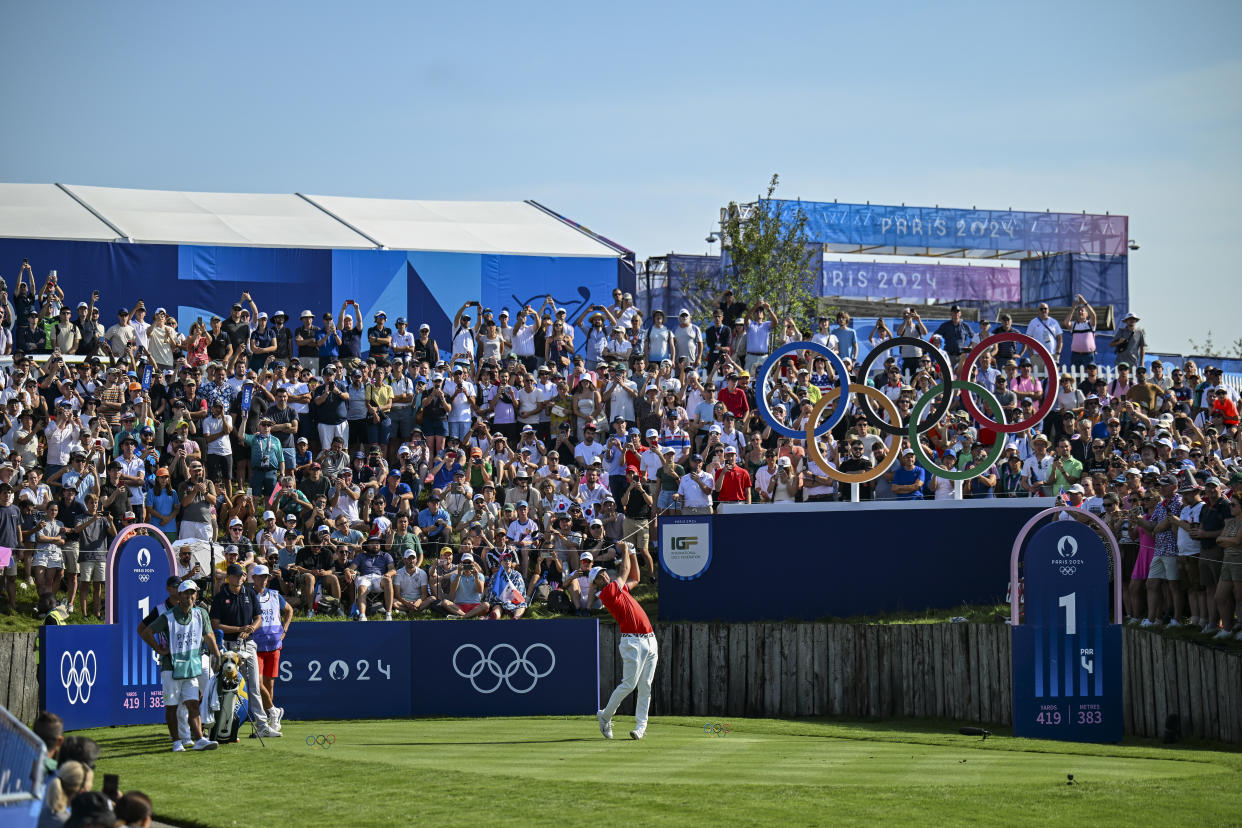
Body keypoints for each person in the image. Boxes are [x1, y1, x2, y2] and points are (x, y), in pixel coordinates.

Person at [138, 581, 223, 751]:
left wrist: (217, 655)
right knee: (172, 706)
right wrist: (158, 648)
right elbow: (146, 631)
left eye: (192, 593)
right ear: (179, 595)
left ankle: (199, 739)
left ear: (196, 596)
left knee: (193, 704)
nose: (189, 597)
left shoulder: (201, 614)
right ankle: (177, 741)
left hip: (191, 667)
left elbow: (209, 636)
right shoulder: (167, 616)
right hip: (171, 668)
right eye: (186, 593)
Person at [589, 545, 656, 740]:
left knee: (646, 686)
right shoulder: (608, 592)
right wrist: (625, 549)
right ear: (597, 582)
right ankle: (605, 715)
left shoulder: (618, 590)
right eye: (601, 576)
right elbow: (624, 571)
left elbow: (635, 577)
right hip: (632, 642)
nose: (605, 576)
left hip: (650, 640)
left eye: (603, 573)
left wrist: (633, 553)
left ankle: (640, 728)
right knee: (629, 684)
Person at [209, 563, 280, 737]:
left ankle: (262, 725)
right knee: (227, 687)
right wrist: (239, 629)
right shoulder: (220, 597)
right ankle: (223, 726)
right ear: (229, 577)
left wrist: (250, 629)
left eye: (241, 575)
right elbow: (215, 624)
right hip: (227, 646)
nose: (239, 578)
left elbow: (258, 618)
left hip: (248, 645)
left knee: (254, 685)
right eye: (235, 575)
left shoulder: (249, 593)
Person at [250, 564, 292, 730]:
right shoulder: (249, 595)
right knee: (257, 683)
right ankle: (273, 711)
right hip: (255, 646)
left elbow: (289, 610)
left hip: (274, 645)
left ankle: (271, 719)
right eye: (260, 576)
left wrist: (285, 629)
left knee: (269, 684)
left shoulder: (275, 595)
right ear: (253, 578)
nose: (263, 580)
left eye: (265, 576)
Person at [439, 552, 489, 618]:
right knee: (445, 602)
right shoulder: (455, 576)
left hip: (475, 606)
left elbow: (480, 591)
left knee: (486, 605)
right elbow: (453, 590)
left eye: (469, 563)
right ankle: (466, 616)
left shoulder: (479, 575)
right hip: (459, 606)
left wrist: (476, 577)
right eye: (464, 563)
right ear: (461, 564)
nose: (467, 565)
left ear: (473, 564)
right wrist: (459, 575)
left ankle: (462, 616)